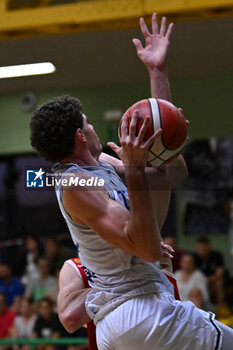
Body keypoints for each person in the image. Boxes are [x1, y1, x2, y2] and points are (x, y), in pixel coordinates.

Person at [29, 13, 233, 350]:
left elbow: (170, 169)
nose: (94, 128)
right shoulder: (75, 183)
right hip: (138, 311)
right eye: (89, 123)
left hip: (134, 317)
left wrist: (157, 72)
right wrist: (136, 171)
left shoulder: (99, 167)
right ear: (81, 135)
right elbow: (148, 248)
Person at [57, 250, 180, 350]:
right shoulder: (76, 266)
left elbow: (174, 308)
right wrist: (124, 279)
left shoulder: (156, 257)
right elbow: (69, 319)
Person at [194, 237, 225, 305]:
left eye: (204, 249)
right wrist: (205, 281)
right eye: (200, 249)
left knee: (218, 283)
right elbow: (193, 274)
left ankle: (220, 306)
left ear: (209, 247)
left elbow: (220, 272)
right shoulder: (194, 257)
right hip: (200, 281)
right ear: (196, 248)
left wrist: (209, 281)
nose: (202, 251)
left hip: (214, 280)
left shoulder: (217, 255)